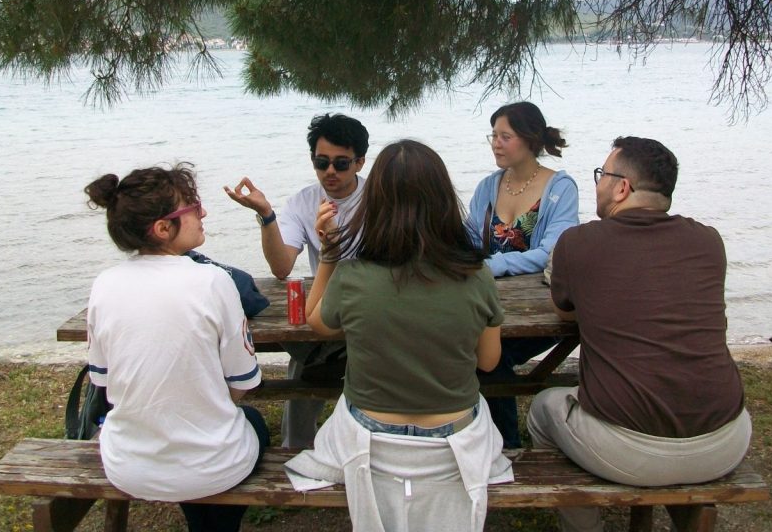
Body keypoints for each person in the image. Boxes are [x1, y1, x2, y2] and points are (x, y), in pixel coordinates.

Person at [284, 140, 513, 531]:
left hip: (371, 441)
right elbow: (489, 362)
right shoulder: (476, 276)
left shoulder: (354, 276)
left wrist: (329, 252)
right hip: (453, 441)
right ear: (444, 200)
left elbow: (317, 322)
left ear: (375, 203)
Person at [527, 138, 752, 532]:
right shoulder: (708, 241)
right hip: (725, 439)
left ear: (621, 187)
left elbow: (565, 309)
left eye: (601, 175)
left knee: (543, 408)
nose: (596, 184)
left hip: (628, 450)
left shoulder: (579, 244)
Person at [84, 163, 269, 532]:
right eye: (194, 207)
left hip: (128, 464)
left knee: (193, 450)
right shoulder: (214, 282)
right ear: (163, 228)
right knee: (254, 424)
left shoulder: (105, 285)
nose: (203, 213)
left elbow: (102, 381)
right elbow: (243, 383)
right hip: (212, 464)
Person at [225, 113, 369, 448]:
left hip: (372, 309)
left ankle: (364, 444)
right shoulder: (304, 202)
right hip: (324, 307)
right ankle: (296, 449)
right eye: (321, 162)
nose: (329, 172)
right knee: (303, 361)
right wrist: (266, 215)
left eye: (340, 163)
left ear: (360, 162)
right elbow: (281, 266)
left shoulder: (382, 197)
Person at [466, 101, 579, 449]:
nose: (496, 143)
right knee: (475, 355)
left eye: (505, 136)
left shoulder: (560, 188)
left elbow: (551, 252)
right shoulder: (489, 186)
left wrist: (492, 265)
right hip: (489, 305)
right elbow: (470, 240)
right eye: (493, 136)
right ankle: (482, 441)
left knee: (490, 359)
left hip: (541, 307)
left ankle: (506, 446)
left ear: (530, 139)